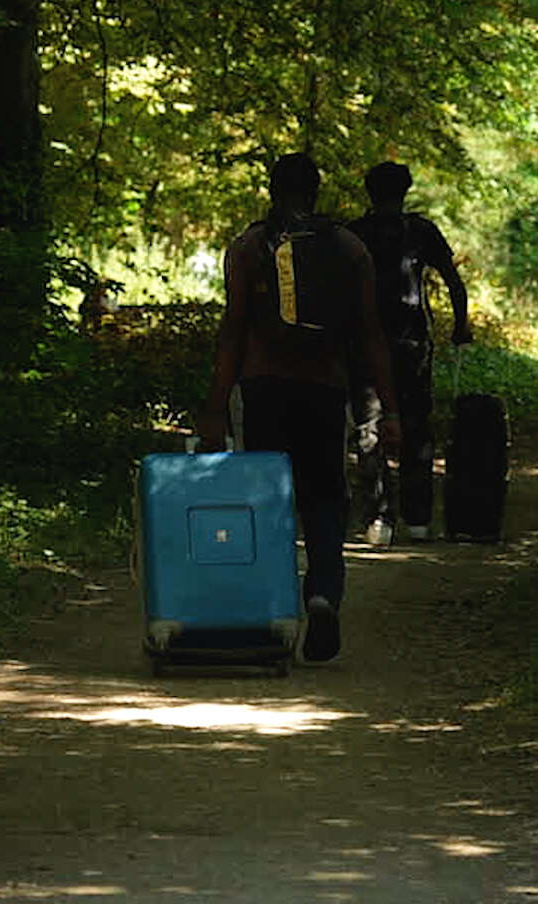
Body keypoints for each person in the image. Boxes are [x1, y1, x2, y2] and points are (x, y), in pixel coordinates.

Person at [198, 152, 399, 663]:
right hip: (325, 390)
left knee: (267, 501)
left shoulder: (248, 247)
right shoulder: (348, 248)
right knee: (325, 498)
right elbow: (371, 333)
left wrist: (216, 409)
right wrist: (391, 409)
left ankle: (271, 610)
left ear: (271, 189)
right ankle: (322, 595)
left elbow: (233, 332)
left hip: (263, 388)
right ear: (317, 191)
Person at [346, 162, 472, 543]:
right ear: (406, 191)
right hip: (412, 341)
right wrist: (459, 325)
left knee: (369, 428)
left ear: (369, 192)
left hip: (364, 345)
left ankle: (379, 520)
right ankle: (417, 519)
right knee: (416, 425)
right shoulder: (420, 231)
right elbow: (453, 281)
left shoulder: (353, 235)